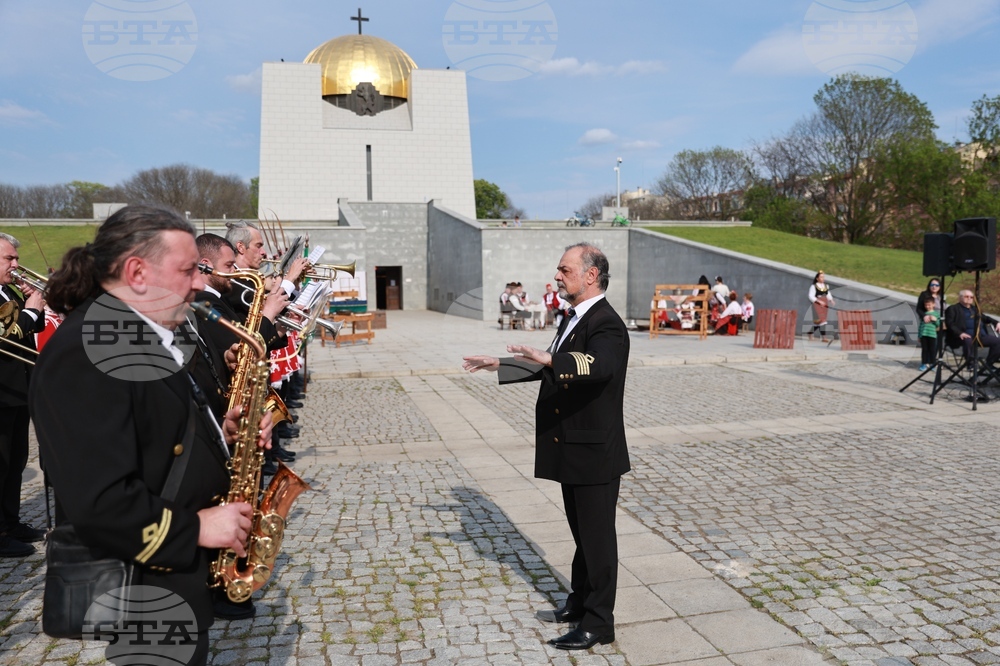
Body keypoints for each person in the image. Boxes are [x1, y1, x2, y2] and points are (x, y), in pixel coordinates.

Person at [29, 205, 272, 665]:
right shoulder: (84, 351)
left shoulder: (132, 335)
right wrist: (197, 528)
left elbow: (153, 434)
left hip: (171, 575)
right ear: (137, 272)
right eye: (187, 270)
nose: (199, 283)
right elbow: (99, 500)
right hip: (144, 584)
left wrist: (223, 435)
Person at [463, 243, 629, 651]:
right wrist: (500, 364)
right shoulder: (575, 318)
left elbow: (597, 366)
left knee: (597, 540)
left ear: (591, 275)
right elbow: (548, 362)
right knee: (582, 535)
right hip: (574, 447)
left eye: (565, 269)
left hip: (594, 451)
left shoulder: (607, 323)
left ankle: (599, 622)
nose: (557, 276)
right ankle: (580, 603)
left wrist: (552, 360)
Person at [0, 233, 46, 557]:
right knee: (0, 463)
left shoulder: (8, 291)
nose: (16, 264)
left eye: (16, 258)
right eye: (9, 259)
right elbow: (5, 335)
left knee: (15, 461)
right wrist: (29, 311)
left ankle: (10, 522)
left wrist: (34, 305)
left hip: (18, 389)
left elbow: (33, 328)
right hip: (1, 392)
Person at [944, 290, 1000, 366]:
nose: (969, 298)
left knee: (998, 342)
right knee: (968, 340)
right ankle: (971, 364)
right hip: (961, 336)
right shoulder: (953, 309)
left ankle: (989, 364)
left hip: (980, 336)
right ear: (960, 298)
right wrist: (960, 333)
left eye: (971, 297)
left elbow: (986, 318)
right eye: (966, 296)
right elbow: (950, 324)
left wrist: (997, 322)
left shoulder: (975, 309)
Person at [808, 271, 834, 341]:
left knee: (819, 321)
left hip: (824, 304)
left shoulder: (826, 286)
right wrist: (819, 301)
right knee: (822, 320)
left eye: (823, 277)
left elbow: (828, 294)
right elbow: (810, 296)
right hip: (817, 304)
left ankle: (810, 332)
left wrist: (831, 300)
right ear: (817, 278)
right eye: (821, 277)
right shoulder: (814, 286)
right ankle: (824, 337)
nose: (823, 278)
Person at [918, 297, 939, 372]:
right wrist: (919, 336)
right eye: (926, 305)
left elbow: (939, 324)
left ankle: (932, 364)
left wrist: (935, 320)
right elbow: (921, 326)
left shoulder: (936, 314)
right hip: (924, 335)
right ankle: (923, 363)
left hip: (932, 335)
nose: (927, 306)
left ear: (933, 304)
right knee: (924, 350)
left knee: (932, 350)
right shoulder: (924, 314)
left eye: (929, 305)